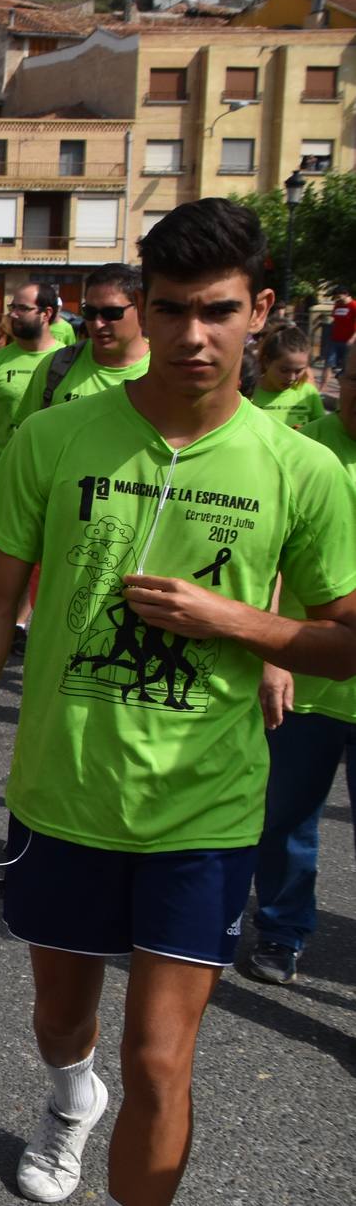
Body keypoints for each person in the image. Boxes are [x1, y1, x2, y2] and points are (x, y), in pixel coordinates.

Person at [0, 198, 356, 1206]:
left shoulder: (302, 470)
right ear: (141, 313)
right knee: (59, 1025)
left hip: (201, 810)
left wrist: (238, 623)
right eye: (172, 311)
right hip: (64, 792)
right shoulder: (57, 438)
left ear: (262, 311)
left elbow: (346, 632)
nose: (193, 336)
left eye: (218, 311)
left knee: (163, 1059)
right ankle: (72, 1097)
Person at [243, 347, 356, 984]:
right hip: (308, 676)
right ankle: (282, 932)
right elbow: (273, 561)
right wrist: (273, 655)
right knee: (286, 819)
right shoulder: (300, 449)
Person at [12, 266, 150, 429]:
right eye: (90, 312)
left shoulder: (164, 371)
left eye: (111, 313)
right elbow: (27, 433)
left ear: (141, 309)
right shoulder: (56, 366)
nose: (98, 324)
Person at [0, 284, 63, 495]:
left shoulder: (66, 360)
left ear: (46, 313)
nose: (13, 314)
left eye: (22, 308)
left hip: (52, 476)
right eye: (12, 307)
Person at [248, 322, 326, 431]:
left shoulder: (308, 393)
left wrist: (307, 432)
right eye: (284, 370)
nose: (292, 378)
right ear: (266, 362)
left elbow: (321, 431)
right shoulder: (249, 392)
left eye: (298, 371)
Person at [325, 287, 353, 381]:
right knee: (328, 364)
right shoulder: (337, 305)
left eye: (339, 296)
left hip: (348, 341)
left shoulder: (354, 306)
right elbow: (335, 321)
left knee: (347, 367)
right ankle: (322, 390)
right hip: (334, 340)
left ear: (346, 294)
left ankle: (343, 388)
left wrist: (353, 339)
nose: (337, 299)